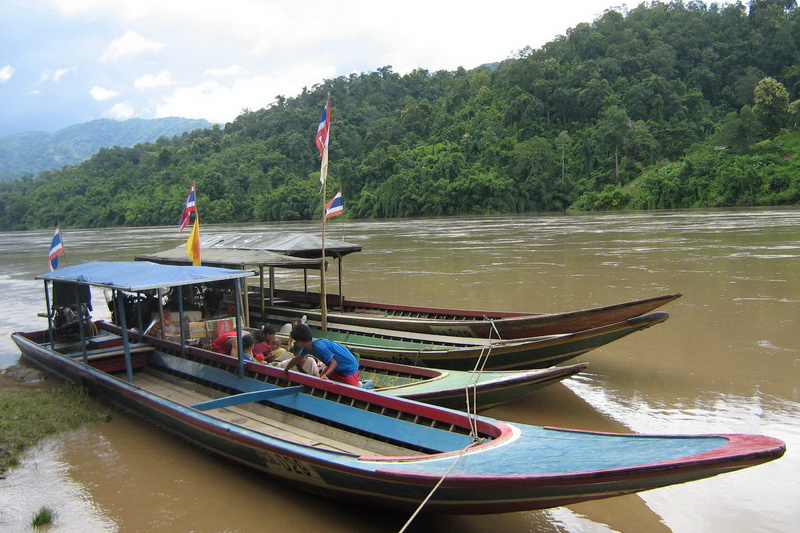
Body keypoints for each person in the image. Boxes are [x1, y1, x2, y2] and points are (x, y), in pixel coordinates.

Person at [283, 323, 359, 385]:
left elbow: (334, 363)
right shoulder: (307, 347)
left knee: (349, 390)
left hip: (348, 369)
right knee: (323, 380)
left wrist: (326, 375)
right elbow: (296, 359)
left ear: (299, 341)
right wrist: (286, 370)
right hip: (337, 368)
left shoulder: (319, 347)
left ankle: (359, 384)